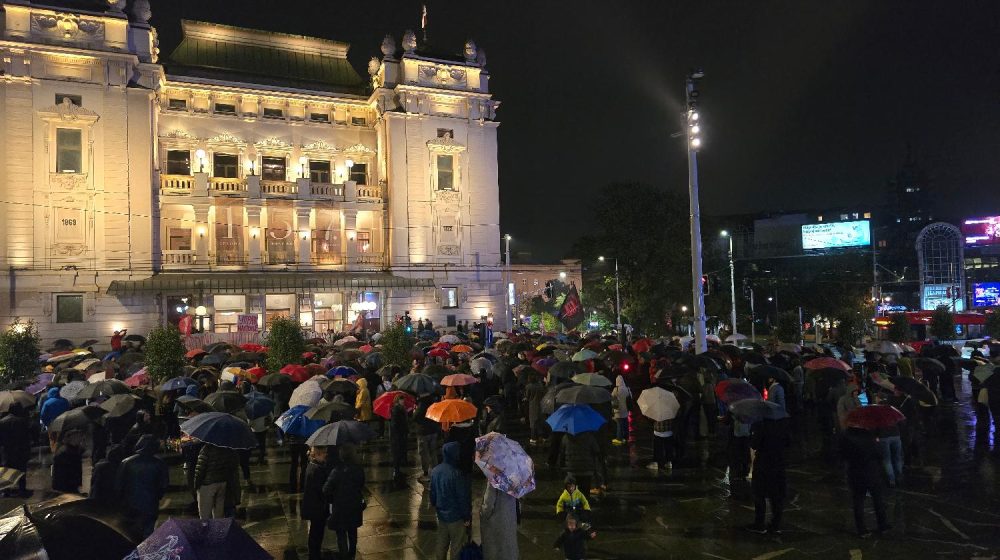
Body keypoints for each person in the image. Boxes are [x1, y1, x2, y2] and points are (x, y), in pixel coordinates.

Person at [841, 426, 891, 537]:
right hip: (872, 472)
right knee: (878, 500)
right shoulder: (870, 437)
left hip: (856, 473)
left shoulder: (847, 438)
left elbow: (843, 455)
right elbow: (879, 454)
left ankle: (862, 529)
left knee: (858, 502)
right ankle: (882, 525)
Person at [117, 435, 169, 537]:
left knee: (132, 532)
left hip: (131, 503)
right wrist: (158, 496)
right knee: (148, 531)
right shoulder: (159, 463)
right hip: (151, 503)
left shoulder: (127, 462)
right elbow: (164, 484)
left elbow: (119, 484)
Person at [747, 417, 789, 535]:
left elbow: (754, 444)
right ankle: (776, 523)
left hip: (763, 463)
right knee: (776, 494)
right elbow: (788, 442)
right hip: (778, 462)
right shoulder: (782, 424)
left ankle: (759, 523)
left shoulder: (759, 424)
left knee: (759, 493)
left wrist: (752, 435)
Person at [323, 444, 366, 560]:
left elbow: (326, 489)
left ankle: (344, 556)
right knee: (353, 533)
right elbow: (361, 484)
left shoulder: (336, 471)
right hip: (355, 506)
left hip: (340, 508)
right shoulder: (358, 469)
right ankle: (352, 554)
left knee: (341, 534)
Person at [430, 441, 472, 560]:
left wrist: (434, 503)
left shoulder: (435, 471)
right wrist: (466, 516)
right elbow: (462, 498)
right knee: (457, 545)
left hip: (441, 514)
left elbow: (432, 493)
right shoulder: (456, 474)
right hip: (455, 516)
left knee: (442, 542)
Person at [194, 442, 239, 519]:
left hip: (207, 484)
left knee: (205, 517)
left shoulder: (206, 449)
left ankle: (207, 530)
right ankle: (218, 530)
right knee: (218, 516)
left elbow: (200, 469)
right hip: (222, 483)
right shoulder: (227, 448)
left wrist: (196, 484)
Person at [302, 446, 332, 560]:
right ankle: (314, 553)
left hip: (313, 505)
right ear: (317, 455)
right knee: (317, 531)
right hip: (317, 507)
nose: (326, 455)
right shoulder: (317, 470)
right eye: (324, 453)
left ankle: (314, 551)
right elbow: (321, 490)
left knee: (316, 530)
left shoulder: (313, 466)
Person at [0, 402, 32, 496]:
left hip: (7, 450)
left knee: (7, 470)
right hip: (20, 450)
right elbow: (26, 437)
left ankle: (6, 491)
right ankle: (22, 489)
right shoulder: (22, 421)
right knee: (22, 470)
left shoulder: (2, 422)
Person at [480, 484, 518, 560]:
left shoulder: (494, 479)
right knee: (508, 549)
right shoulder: (514, 478)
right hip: (509, 518)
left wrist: (482, 513)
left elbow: (488, 504)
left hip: (496, 522)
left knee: (495, 550)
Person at [561, 431, 600, 498]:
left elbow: (562, 453)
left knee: (571, 496)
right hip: (587, 470)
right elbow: (596, 451)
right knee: (585, 496)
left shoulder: (566, 437)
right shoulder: (590, 437)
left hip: (571, 470)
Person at [414, 394, 440, 480]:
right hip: (433, 431)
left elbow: (415, 417)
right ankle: (435, 470)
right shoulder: (434, 403)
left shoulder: (422, 404)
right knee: (433, 452)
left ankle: (425, 473)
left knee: (424, 453)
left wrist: (415, 411)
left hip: (424, 432)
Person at [389, 394, 409, 481]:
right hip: (397, 435)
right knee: (397, 453)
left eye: (403, 400)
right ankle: (396, 471)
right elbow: (395, 424)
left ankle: (398, 470)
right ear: (398, 400)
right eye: (401, 400)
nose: (403, 401)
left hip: (400, 434)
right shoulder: (397, 409)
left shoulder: (401, 408)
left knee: (399, 452)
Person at [524, 373, 545, 445]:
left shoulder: (528, 386)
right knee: (540, 421)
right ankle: (541, 437)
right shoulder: (540, 386)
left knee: (533, 423)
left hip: (532, 406)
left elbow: (527, 396)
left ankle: (533, 439)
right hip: (541, 405)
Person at [611, 374, 631, 445]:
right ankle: (626, 437)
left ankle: (619, 438)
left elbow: (612, 398)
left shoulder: (615, 389)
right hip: (625, 410)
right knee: (625, 423)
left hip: (618, 410)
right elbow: (630, 397)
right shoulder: (627, 389)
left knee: (619, 425)